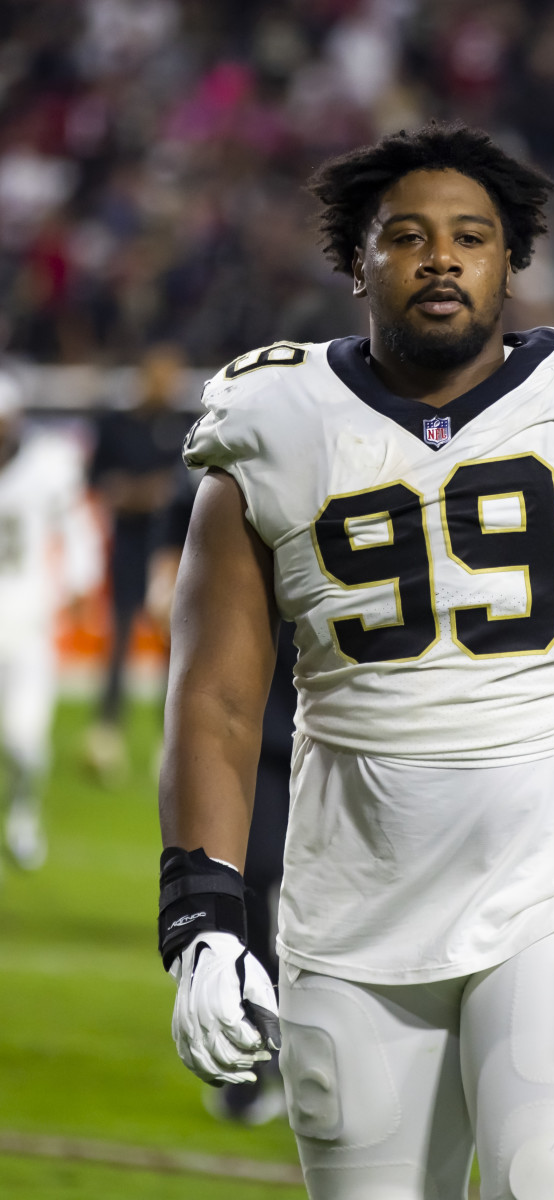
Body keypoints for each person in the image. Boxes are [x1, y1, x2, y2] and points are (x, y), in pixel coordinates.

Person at [157, 124, 554, 1200]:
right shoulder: (272, 421)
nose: (440, 258)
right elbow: (213, 700)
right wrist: (203, 916)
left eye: (470, 237)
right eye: (404, 237)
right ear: (357, 263)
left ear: (510, 261)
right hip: (351, 917)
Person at [148, 468, 295, 1124]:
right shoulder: (230, 478)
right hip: (255, 721)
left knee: (321, 903)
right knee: (255, 879)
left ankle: (315, 1049)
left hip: (341, 724)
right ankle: (253, 1056)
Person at [0, 369, 102, 871]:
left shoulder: (47, 466)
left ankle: (22, 813)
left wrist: (82, 582)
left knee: (24, 741)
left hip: (28, 621)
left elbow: (77, 525)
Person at [86, 343, 191, 779]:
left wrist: (155, 494)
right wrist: (130, 492)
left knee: (175, 644)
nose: (165, 383)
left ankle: (170, 740)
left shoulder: (188, 425)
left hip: (173, 549)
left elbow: (189, 487)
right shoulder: (116, 425)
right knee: (121, 637)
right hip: (129, 546)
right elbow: (94, 479)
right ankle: (106, 732)